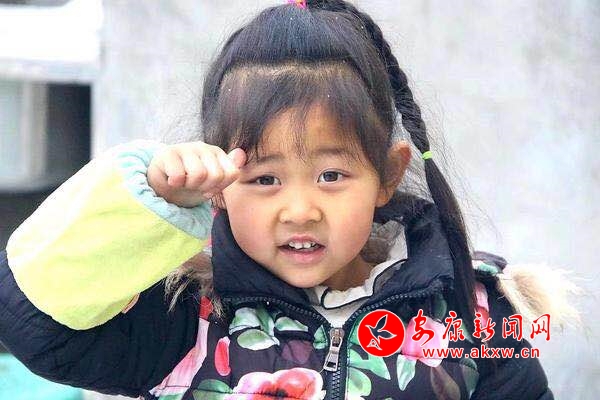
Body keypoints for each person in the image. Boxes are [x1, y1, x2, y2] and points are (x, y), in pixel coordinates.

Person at [0, 1, 577, 399]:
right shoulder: (184, 317)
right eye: (264, 180)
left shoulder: (472, 309)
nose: (300, 210)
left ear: (387, 174)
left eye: (330, 175)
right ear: (220, 189)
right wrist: (146, 198)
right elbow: (33, 321)